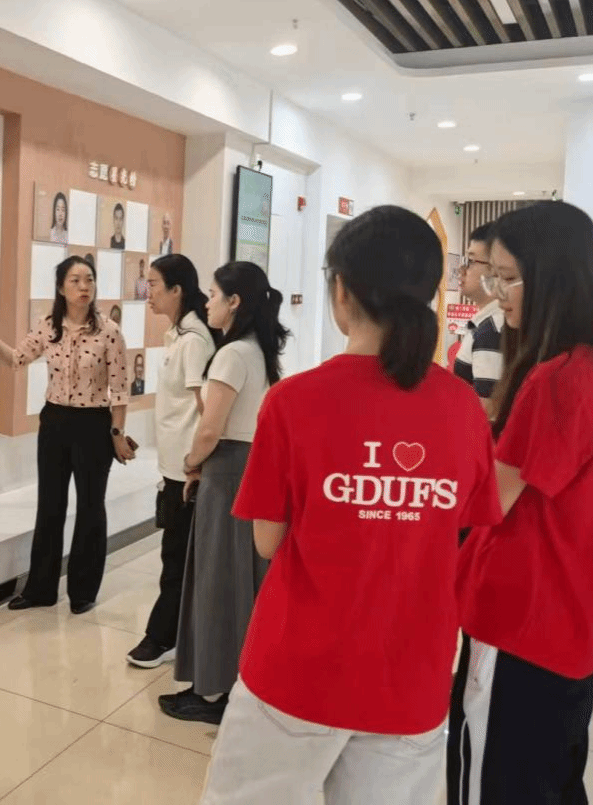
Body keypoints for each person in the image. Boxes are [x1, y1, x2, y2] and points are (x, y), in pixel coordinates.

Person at [200, 206, 501, 805]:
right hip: (410, 677)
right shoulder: (464, 410)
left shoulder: (293, 402)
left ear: (341, 291)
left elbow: (267, 541)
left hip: (297, 669)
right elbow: (464, 531)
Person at [448, 202, 593, 805]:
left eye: (509, 278)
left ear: (554, 279)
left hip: (520, 620)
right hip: (568, 620)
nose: (498, 293)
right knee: (551, 779)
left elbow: (489, 501)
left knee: (495, 783)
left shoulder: (559, 378)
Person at [155, 260, 284, 724]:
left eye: (212, 295)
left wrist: (191, 463)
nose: (206, 303)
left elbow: (210, 429)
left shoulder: (232, 355)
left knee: (217, 581)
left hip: (226, 470)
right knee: (238, 580)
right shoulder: (260, 351)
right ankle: (233, 685)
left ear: (234, 302)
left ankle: (214, 691)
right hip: (247, 467)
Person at [0, 256, 134, 613]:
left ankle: (83, 591)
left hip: (93, 423)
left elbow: (120, 389)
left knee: (90, 505)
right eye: (76, 280)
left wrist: (117, 433)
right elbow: (16, 359)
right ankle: (41, 589)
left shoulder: (109, 331)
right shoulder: (49, 326)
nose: (84, 287)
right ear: (61, 287)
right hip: (54, 422)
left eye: (89, 279)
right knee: (50, 504)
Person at [126, 254, 215, 670]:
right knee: (175, 555)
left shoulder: (194, 340)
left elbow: (205, 405)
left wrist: (196, 463)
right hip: (174, 466)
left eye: (155, 284)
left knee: (176, 558)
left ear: (177, 290)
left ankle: (161, 637)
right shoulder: (177, 335)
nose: (149, 292)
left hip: (188, 469)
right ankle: (175, 633)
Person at [454, 223, 504, 414]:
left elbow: (488, 412)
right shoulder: (485, 323)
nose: (462, 270)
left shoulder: (492, 330)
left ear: (496, 269)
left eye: (470, 261)